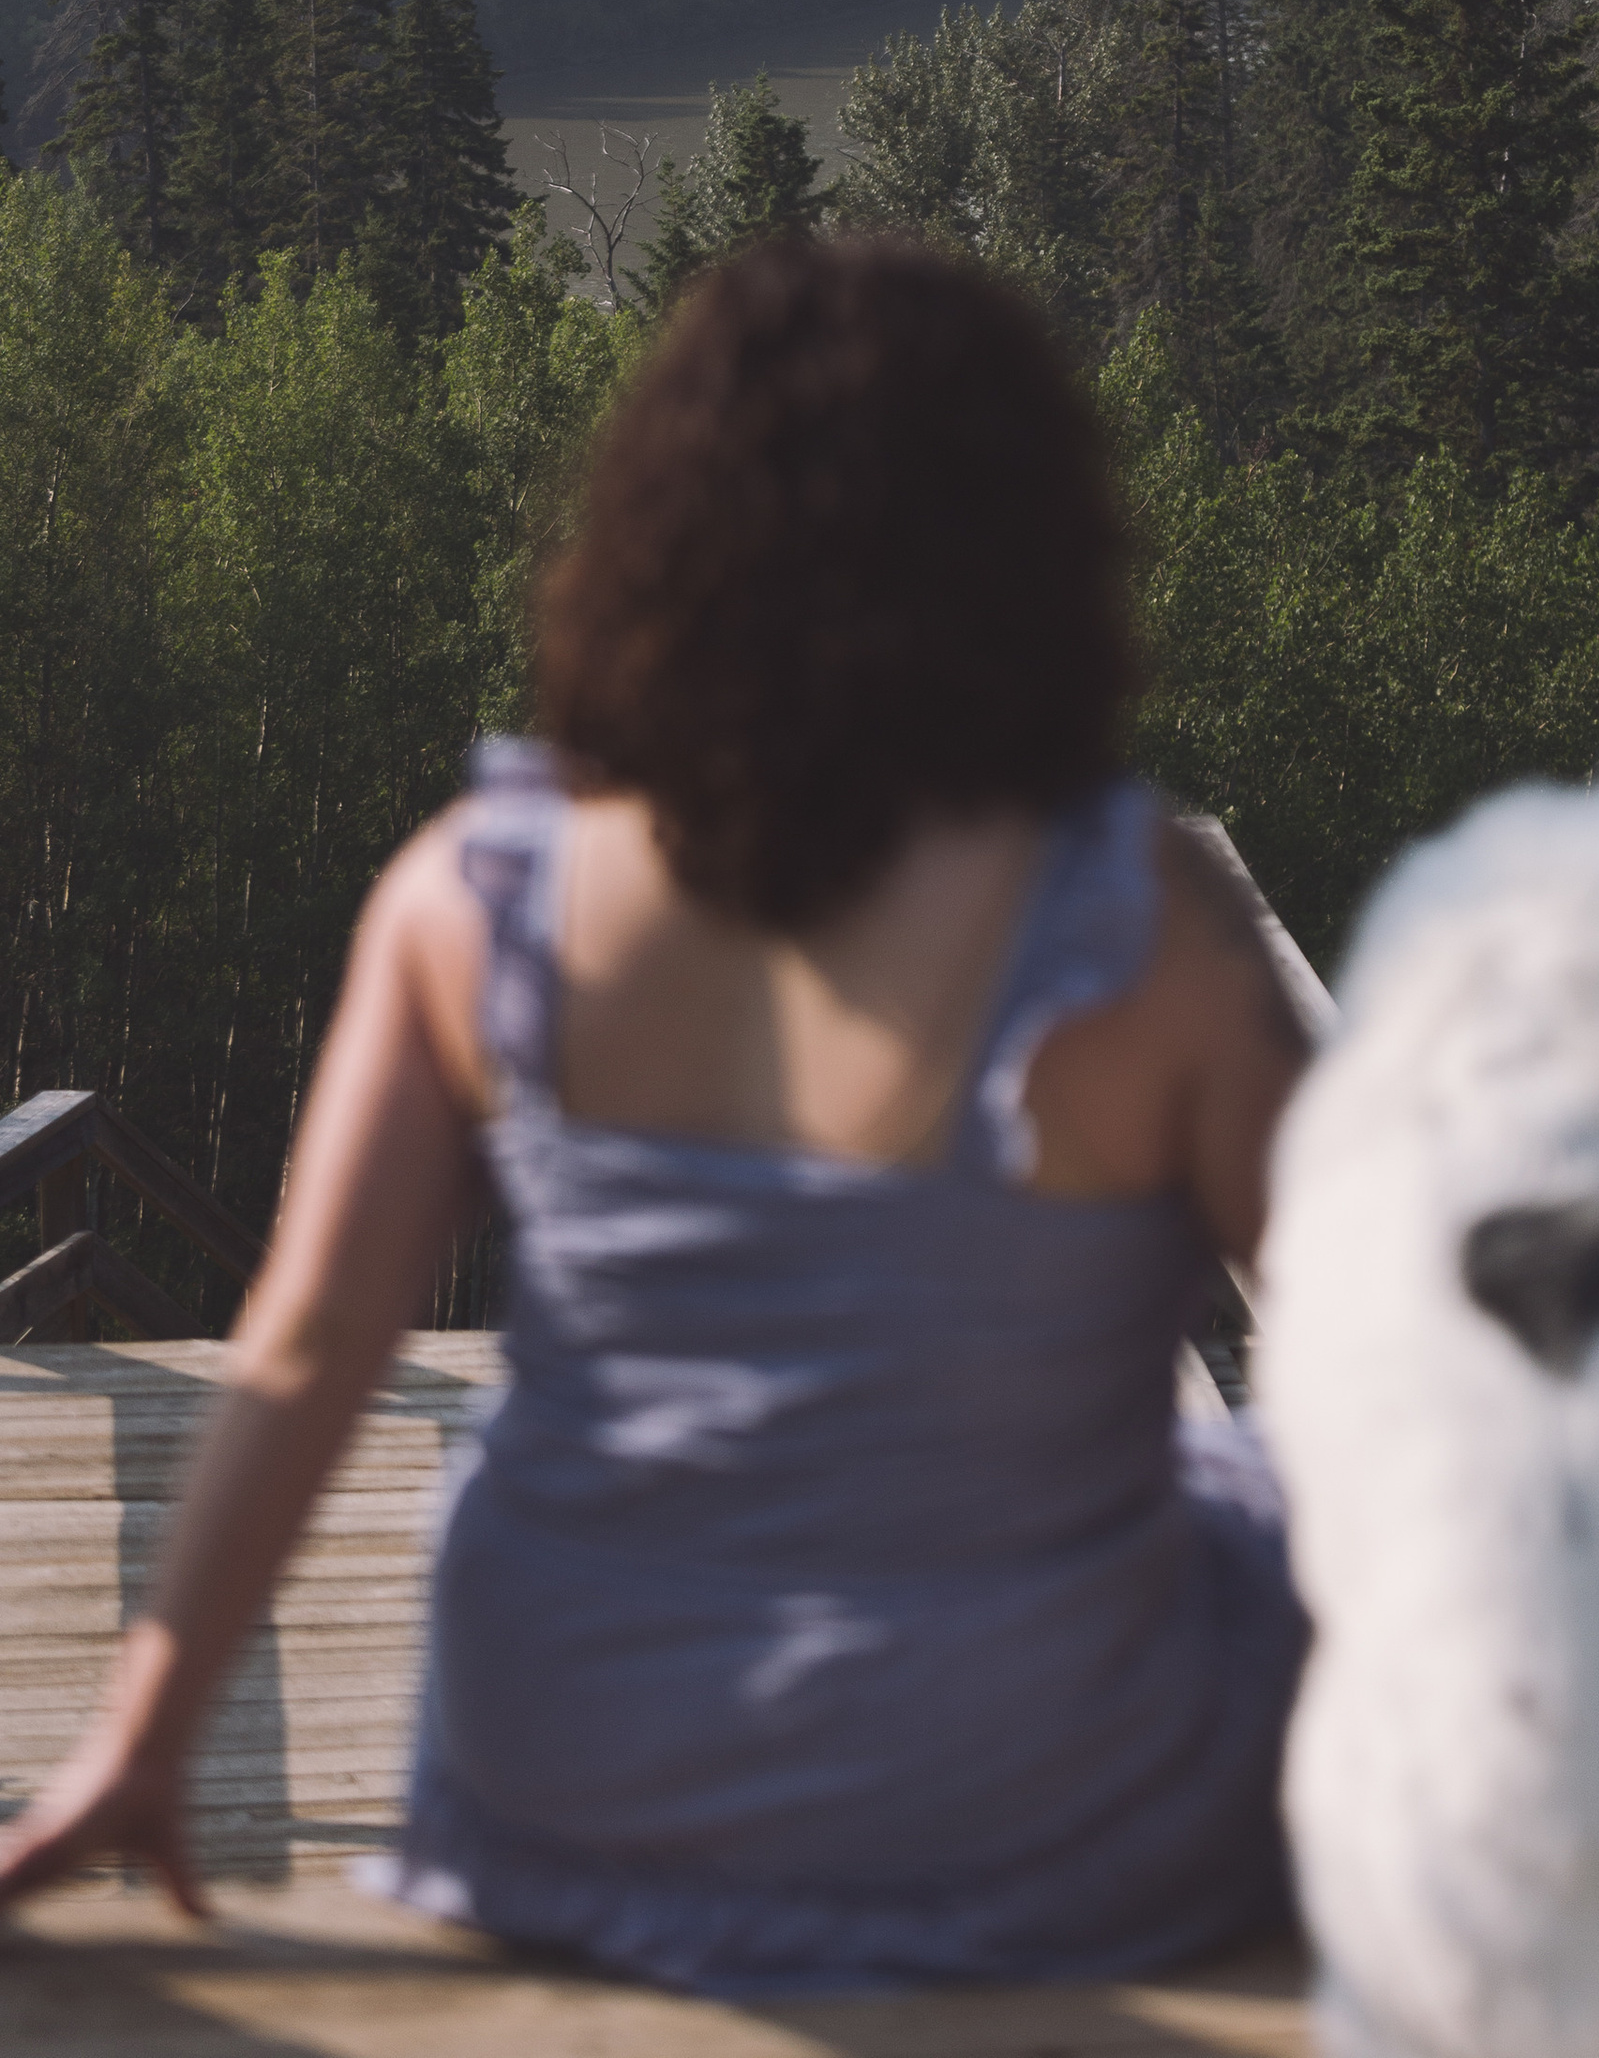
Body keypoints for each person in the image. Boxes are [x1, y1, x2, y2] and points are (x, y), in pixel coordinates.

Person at [0, 235, 1309, 1989]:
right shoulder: (1145, 923)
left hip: (575, 1779)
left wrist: (141, 1737)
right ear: (1031, 556)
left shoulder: (478, 899)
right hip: (1017, 1791)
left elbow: (306, 1345)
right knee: (1257, 1499)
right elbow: (1392, 1361)